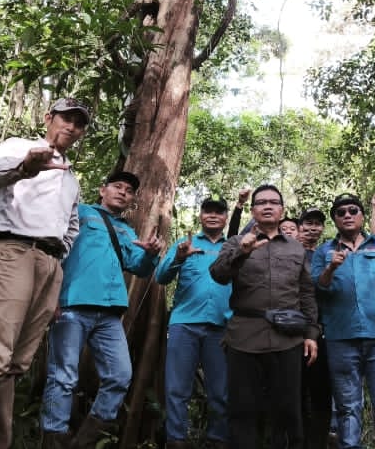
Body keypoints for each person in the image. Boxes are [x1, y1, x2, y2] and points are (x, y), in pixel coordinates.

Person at [0, 97, 89, 449]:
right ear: (48, 118)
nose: (70, 127)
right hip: (14, 253)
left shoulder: (71, 178)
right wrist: (26, 165)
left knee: (15, 364)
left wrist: (58, 257)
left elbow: (71, 226)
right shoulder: (21, 147)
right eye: (65, 119)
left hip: (49, 265)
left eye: (78, 123)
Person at [40, 171, 163, 448]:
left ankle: (82, 440)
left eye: (129, 190)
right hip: (73, 305)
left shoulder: (128, 231)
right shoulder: (80, 213)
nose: (122, 192)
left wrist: (151, 254)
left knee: (120, 376)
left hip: (110, 313)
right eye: (117, 186)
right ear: (102, 189)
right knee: (63, 376)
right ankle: (53, 435)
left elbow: (140, 268)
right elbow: (55, 250)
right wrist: (51, 298)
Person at [209, 185, 320, 449]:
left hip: (288, 340)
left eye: (273, 202)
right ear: (253, 210)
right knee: (243, 409)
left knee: (288, 410)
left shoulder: (296, 249)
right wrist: (242, 252)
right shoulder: (236, 242)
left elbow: (306, 293)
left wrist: (311, 334)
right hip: (243, 338)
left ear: (282, 210)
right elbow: (218, 275)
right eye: (261, 203)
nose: (267, 206)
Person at [311, 194, 375, 449]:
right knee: (347, 406)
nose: (347, 215)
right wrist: (330, 268)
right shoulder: (324, 251)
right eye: (341, 212)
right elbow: (317, 291)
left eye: (353, 210)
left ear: (362, 216)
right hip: (340, 340)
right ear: (335, 219)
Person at [156, 197, 234, 449]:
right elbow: (161, 277)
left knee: (220, 391)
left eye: (219, 212)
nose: (213, 216)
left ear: (226, 217)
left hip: (221, 328)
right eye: (207, 211)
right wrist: (178, 257)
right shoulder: (184, 243)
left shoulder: (232, 247)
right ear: (200, 215)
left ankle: (217, 439)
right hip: (184, 325)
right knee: (177, 387)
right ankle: (176, 439)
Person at [296, 207, 334, 449]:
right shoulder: (289, 251)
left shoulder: (325, 253)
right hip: (293, 331)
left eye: (318, 224)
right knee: (295, 391)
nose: (313, 227)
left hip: (323, 331)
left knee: (321, 391)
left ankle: (318, 441)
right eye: (308, 223)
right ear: (300, 226)